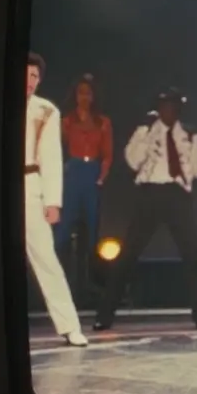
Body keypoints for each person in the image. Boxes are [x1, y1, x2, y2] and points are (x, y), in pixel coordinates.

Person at [92, 88, 197, 331]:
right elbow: (132, 161)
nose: (168, 111)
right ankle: (104, 316)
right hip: (149, 194)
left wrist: (194, 147)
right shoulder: (145, 131)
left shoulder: (189, 134)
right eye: (164, 106)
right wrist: (146, 138)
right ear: (158, 109)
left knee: (192, 255)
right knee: (127, 255)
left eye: (172, 106)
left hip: (177, 195)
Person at [24, 53, 88, 347]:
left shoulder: (46, 110)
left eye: (35, 76)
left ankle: (69, 326)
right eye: (26, 74)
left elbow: (51, 158)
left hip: (29, 183)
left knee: (46, 258)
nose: (30, 81)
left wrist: (53, 202)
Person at [56, 73, 113, 283]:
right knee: (64, 226)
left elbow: (108, 154)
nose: (84, 98)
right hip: (74, 170)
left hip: (92, 172)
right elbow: (57, 148)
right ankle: (56, 275)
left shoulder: (103, 122)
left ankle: (91, 278)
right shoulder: (67, 121)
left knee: (92, 226)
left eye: (88, 93)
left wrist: (101, 177)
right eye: (81, 93)